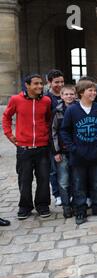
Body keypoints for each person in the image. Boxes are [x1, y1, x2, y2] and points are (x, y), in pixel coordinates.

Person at [60, 80, 97, 225]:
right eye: (90, 90)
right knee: (78, 184)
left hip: (96, 154)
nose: (94, 93)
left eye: (94, 90)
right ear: (81, 92)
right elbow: (65, 131)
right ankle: (80, 210)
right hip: (78, 156)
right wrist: (73, 149)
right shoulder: (72, 110)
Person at [2, 74, 52, 220]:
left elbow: (48, 119)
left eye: (41, 84)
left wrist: (45, 135)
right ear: (27, 85)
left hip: (42, 147)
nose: (40, 86)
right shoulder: (16, 100)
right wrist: (9, 135)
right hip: (24, 149)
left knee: (43, 178)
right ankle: (25, 207)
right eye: (36, 84)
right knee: (24, 179)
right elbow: (6, 117)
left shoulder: (46, 101)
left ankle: (43, 205)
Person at [51, 84, 77, 218]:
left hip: (77, 151)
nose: (69, 96)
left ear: (75, 95)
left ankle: (76, 204)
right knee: (63, 180)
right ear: (61, 96)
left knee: (76, 179)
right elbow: (54, 132)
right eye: (66, 94)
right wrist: (56, 151)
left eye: (71, 94)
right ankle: (66, 206)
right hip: (62, 151)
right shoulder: (57, 111)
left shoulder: (79, 109)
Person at [46, 69, 65, 206]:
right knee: (53, 169)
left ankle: (66, 192)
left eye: (62, 82)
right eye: (56, 82)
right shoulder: (46, 98)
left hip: (65, 138)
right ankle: (57, 194)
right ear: (49, 82)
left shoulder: (67, 95)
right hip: (52, 138)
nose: (60, 84)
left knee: (66, 168)